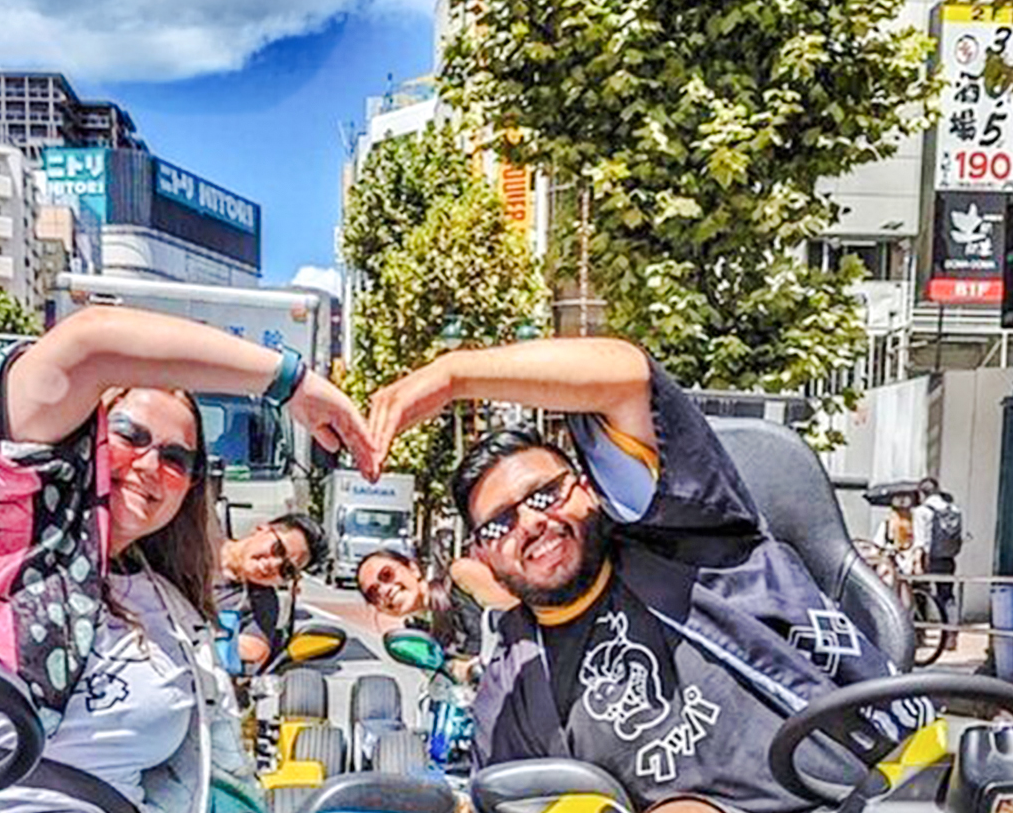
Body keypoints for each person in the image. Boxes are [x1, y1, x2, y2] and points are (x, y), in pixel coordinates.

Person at [0, 306, 375, 813]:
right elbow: (87, 345)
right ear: (84, 431)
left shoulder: (177, 614)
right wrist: (291, 383)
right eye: (129, 435)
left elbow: (217, 777)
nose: (148, 464)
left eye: (175, 458)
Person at [366, 338, 925, 813]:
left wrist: (455, 373)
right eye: (500, 524)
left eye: (545, 494)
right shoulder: (511, 688)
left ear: (590, 490)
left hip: (876, 780)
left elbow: (627, 376)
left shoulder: (686, 533)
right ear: (483, 555)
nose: (532, 523)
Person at [357, 545, 515, 673]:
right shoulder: (417, 632)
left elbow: (515, 613)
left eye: (386, 575)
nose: (385, 590)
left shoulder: (459, 575)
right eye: (373, 593)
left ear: (413, 569)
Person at [215, 513, 327, 669]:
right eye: (278, 549)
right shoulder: (194, 535)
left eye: (286, 570)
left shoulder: (261, 602)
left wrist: (215, 639)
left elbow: (255, 651)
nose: (273, 564)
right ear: (262, 529)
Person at [912, 477, 962, 610]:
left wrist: (918, 563)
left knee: (919, 593)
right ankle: (949, 627)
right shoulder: (954, 510)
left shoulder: (922, 511)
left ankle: (920, 628)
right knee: (946, 594)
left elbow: (921, 540)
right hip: (948, 559)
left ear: (921, 493)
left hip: (928, 559)